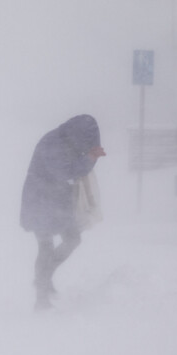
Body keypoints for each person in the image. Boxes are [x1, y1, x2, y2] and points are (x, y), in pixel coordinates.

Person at [20, 114, 106, 310]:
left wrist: (89, 156)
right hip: (40, 201)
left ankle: (44, 277)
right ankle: (41, 298)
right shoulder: (53, 143)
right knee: (46, 246)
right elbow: (65, 172)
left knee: (73, 239)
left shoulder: (68, 141)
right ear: (79, 134)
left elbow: (73, 169)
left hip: (57, 202)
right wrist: (90, 158)